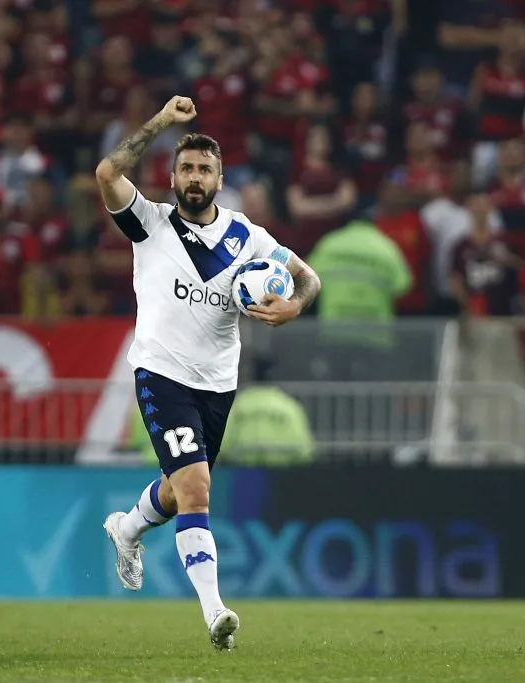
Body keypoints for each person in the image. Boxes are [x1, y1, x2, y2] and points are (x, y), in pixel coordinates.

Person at [95, 96, 321, 650]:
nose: (195, 177)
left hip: (218, 383)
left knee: (178, 490)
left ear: (220, 180)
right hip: (160, 373)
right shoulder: (149, 223)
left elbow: (308, 278)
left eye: (205, 169)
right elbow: (106, 173)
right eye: (186, 168)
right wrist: (161, 122)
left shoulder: (250, 239)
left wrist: (293, 306)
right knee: (196, 488)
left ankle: (127, 528)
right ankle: (216, 614)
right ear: (172, 177)